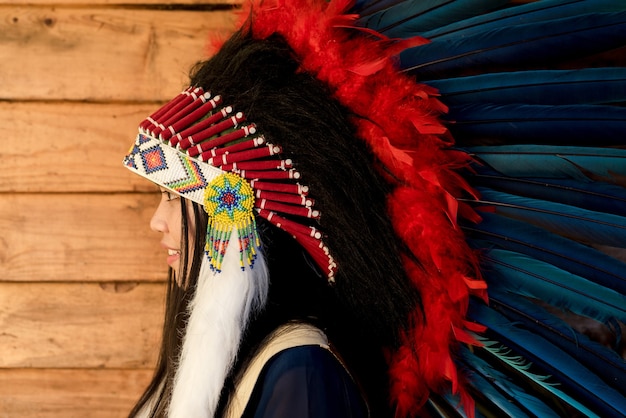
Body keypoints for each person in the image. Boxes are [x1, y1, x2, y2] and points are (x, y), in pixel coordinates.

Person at [124, 0, 626, 417]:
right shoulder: (262, 363)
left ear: (244, 217)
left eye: (177, 195)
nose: (158, 221)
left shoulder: (301, 371)